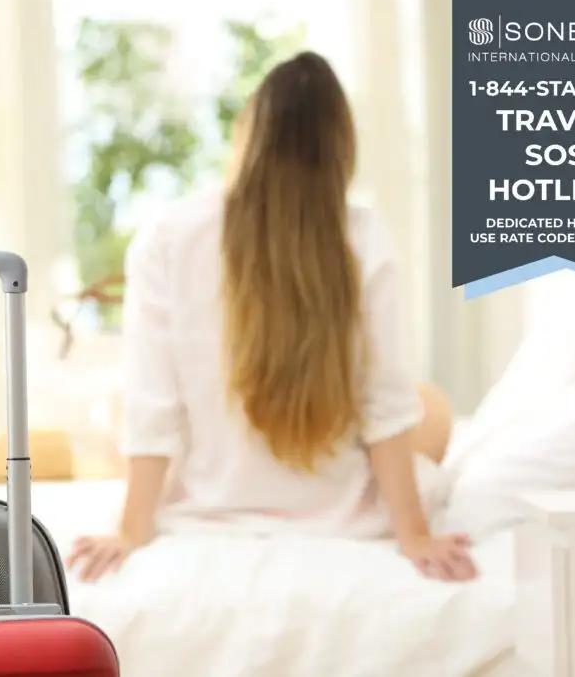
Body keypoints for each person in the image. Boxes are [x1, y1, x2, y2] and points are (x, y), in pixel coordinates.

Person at [67, 51, 477, 584]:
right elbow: (385, 404)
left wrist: (131, 529)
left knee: (114, 410)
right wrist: (413, 534)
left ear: (248, 137)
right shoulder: (363, 234)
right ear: (341, 148)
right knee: (434, 409)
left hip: (207, 499)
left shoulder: (168, 234)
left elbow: (154, 408)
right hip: (338, 505)